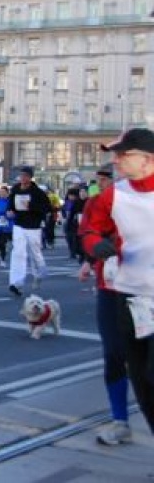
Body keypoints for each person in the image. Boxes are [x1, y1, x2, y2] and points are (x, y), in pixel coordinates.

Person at [80, 128, 154, 437]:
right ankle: (122, 421)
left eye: (124, 154)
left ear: (148, 159)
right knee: (140, 378)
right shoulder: (115, 194)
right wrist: (95, 245)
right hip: (128, 297)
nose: (117, 160)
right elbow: (89, 228)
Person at [77, 163, 133, 446]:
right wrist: (91, 254)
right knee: (113, 354)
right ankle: (120, 420)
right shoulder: (104, 200)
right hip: (110, 287)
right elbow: (89, 231)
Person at [7, 166, 51, 296]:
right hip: (19, 225)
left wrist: (31, 206)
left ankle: (39, 273)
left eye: (25, 176)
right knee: (18, 253)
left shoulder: (37, 192)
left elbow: (46, 208)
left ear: (30, 177)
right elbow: (11, 204)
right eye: (21, 175)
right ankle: (16, 283)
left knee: (35, 253)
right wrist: (10, 211)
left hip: (33, 226)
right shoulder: (15, 189)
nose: (23, 178)